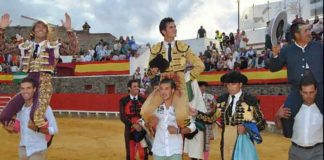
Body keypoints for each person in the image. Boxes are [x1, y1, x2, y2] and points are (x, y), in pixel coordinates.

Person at [0, 13, 78, 128]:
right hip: (28, 83)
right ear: (33, 31)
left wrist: (69, 30)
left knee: (36, 117)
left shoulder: (53, 46)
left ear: (47, 31)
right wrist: (1, 29)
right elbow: (3, 49)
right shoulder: (25, 46)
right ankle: (19, 129)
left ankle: (49, 135)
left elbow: (73, 50)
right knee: (4, 116)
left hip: (44, 83)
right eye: (38, 26)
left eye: (43, 27)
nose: (40, 28)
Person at [140, 17, 205, 127]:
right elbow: (149, 75)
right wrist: (153, 71)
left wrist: (187, 77)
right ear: (163, 31)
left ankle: (182, 130)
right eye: (171, 27)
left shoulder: (184, 47)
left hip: (179, 85)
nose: (175, 29)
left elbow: (200, 65)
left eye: (175, 26)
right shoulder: (156, 48)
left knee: (181, 118)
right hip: (163, 85)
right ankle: (156, 132)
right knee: (145, 112)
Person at [268, 21, 323, 138]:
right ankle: (295, 141)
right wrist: (275, 54)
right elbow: (273, 68)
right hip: (297, 90)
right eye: (306, 30)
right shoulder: (286, 50)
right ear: (297, 35)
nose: (310, 32)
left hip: (320, 87)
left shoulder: (318, 47)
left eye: (309, 29)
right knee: (286, 114)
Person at [2, 77, 58, 160]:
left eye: (28, 88)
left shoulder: (45, 108)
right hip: (23, 149)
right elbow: (20, 130)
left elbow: (55, 129)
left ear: (34, 89)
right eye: (23, 88)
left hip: (38, 149)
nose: (25, 91)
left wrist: (37, 129)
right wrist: (10, 130)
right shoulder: (20, 110)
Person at [217, 71, 266, 160]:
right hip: (225, 142)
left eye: (233, 83)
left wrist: (247, 128)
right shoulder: (222, 100)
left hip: (243, 141)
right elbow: (211, 117)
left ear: (240, 84)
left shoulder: (250, 101)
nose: (230, 87)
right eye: (228, 84)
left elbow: (262, 123)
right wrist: (197, 113)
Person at [145, 78, 196, 160]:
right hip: (158, 150)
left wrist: (178, 131)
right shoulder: (155, 107)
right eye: (161, 89)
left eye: (166, 89)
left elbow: (192, 127)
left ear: (172, 90)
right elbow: (146, 124)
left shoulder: (180, 108)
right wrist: (149, 124)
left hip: (174, 150)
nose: (163, 92)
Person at [275, 76, 323, 160]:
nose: (308, 96)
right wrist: (277, 116)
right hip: (296, 152)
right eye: (305, 92)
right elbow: (279, 127)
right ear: (300, 92)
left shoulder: (321, 108)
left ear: (316, 91)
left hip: (318, 152)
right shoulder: (292, 108)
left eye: (311, 92)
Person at [184, 81, 218, 160]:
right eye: (200, 86)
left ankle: (205, 159)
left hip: (206, 124)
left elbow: (215, 110)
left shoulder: (210, 97)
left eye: (204, 86)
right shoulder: (192, 99)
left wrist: (208, 115)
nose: (203, 88)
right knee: (194, 142)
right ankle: (193, 158)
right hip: (195, 123)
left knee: (206, 143)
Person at [119, 80, 148, 160]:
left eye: (137, 86)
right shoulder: (123, 100)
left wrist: (141, 125)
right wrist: (133, 125)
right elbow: (122, 116)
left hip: (142, 130)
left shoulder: (143, 100)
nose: (137, 88)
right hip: (129, 130)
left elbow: (146, 114)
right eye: (134, 86)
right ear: (129, 88)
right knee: (131, 155)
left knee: (143, 154)